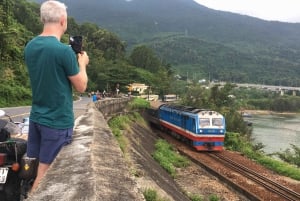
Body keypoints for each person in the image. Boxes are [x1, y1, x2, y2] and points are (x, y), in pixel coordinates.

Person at [24, 0, 89, 192]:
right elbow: (81, 87)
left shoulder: (30, 46)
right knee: (45, 175)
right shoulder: (63, 51)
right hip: (57, 122)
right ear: (63, 20)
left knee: (37, 170)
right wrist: (82, 63)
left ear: (42, 18)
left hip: (37, 118)